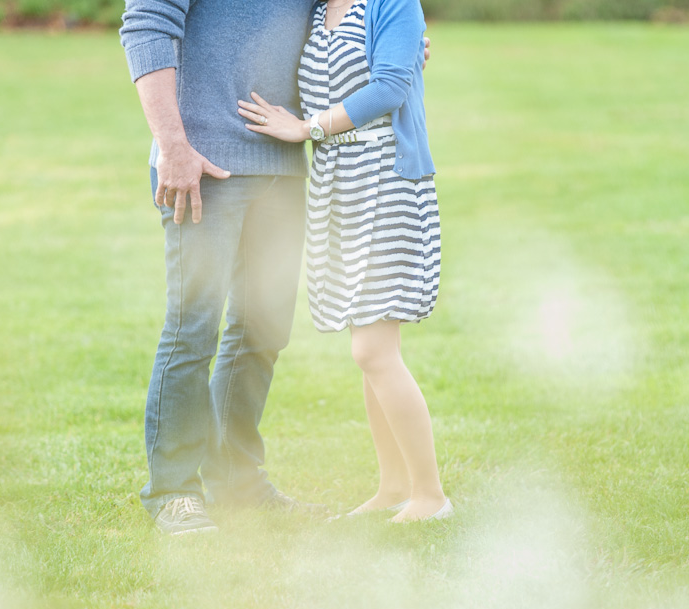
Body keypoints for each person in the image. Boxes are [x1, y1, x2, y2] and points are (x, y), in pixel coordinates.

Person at [119, 0, 431, 534]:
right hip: (202, 162)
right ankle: (173, 490)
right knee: (192, 328)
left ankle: (237, 481)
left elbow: (340, 26)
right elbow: (146, 24)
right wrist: (172, 146)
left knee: (261, 333)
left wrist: (400, 43)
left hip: (282, 165)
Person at [236, 0, 452, 522]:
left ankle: (430, 496)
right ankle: (394, 486)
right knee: (371, 343)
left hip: (386, 180)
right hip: (340, 188)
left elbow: (390, 88)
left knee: (373, 348)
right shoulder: (315, 12)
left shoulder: (392, 4)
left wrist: (308, 128)